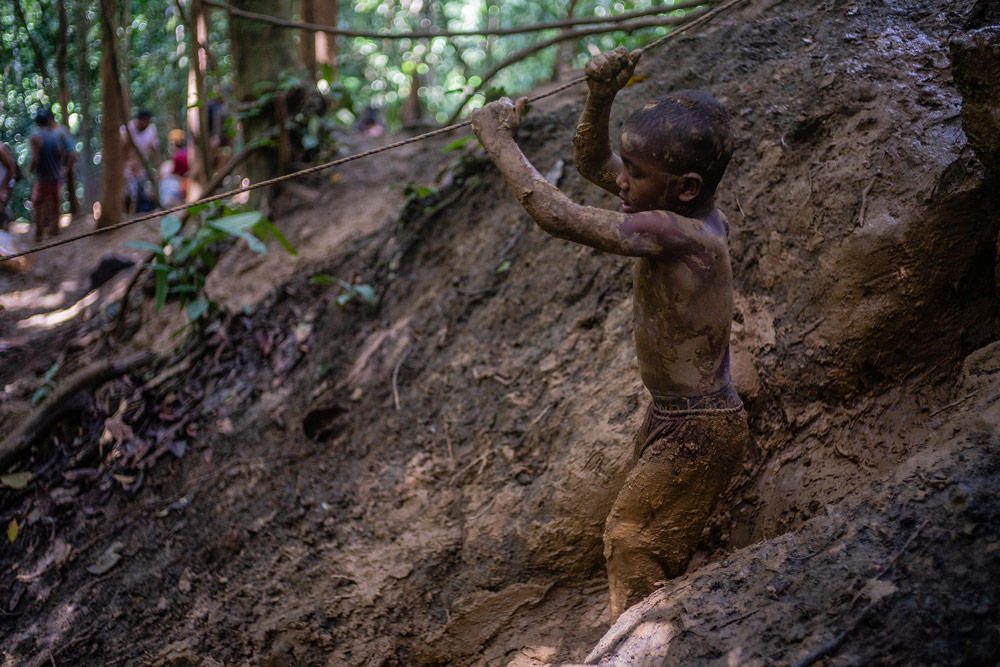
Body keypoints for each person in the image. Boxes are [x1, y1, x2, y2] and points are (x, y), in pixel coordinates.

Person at [470, 47, 749, 624]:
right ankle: (647, 625)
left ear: (686, 188)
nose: (621, 180)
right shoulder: (676, 205)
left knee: (631, 540)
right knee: (639, 535)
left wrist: (496, 138)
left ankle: (651, 640)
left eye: (636, 173)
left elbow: (554, 212)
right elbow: (591, 161)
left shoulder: (674, 232)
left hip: (699, 425)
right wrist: (600, 95)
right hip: (679, 415)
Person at [29, 109, 64, 243]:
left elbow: (36, 156)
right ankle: (55, 228)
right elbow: (61, 153)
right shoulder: (56, 135)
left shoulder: (36, 137)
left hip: (43, 176)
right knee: (55, 202)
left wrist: (31, 169)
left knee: (38, 203)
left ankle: (39, 233)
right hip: (55, 175)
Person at [121, 110, 161, 213]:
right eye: (143, 121)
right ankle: (127, 213)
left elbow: (155, 151)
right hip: (127, 168)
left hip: (141, 168)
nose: (145, 124)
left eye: (147, 122)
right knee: (129, 193)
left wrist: (158, 169)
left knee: (141, 192)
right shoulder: (128, 129)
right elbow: (121, 150)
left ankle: (137, 212)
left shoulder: (151, 130)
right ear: (138, 120)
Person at [47, 113, 78, 217]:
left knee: (55, 196)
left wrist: (66, 169)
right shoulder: (46, 133)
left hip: (59, 168)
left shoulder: (61, 131)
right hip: (48, 171)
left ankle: (56, 222)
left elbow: (72, 152)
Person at [0, 141, 20, 229]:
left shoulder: (0, 150)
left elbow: (11, 168)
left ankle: (5, 219)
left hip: (4, 180)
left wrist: (3, 188)